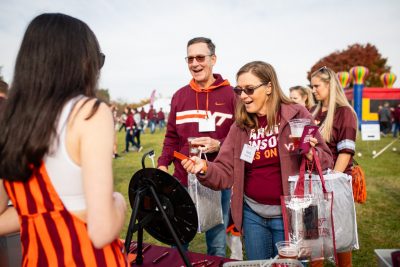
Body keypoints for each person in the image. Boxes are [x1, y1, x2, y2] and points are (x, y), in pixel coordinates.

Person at [0, 13, 127, 266]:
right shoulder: (89, 112)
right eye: (97, 60)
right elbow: (101, 232)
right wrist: (119, 202)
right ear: (80, 61)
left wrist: (48, 213)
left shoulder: (9, 121)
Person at [181, 61, 333, 260]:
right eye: (239, 90)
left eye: (249, 89)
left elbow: (326, 159)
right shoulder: (240, 126)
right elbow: (225, 171)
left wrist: (313, 155)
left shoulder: (296, 115)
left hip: (292, 216)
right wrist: (205, 168)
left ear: (269, 87)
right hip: (252, 216)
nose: (243, 96)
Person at [157, 37, 237, 257]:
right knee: (178, 242)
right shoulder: (179, 96)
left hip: (217, 179)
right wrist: (163, 164)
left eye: (200, 57)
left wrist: (218, 145)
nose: (195, 63)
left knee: (217, 245)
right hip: (182, 179)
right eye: (190, 58)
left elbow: (241, 137)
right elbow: (171, 136)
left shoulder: (231, 95)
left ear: (213, 59)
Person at [310, 66, 358, 267]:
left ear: (330, 84)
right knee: (313, 238)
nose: (313, 90)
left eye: (317, 86)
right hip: (311, 181)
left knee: (339, 236)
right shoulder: (313, 111)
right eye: (311, 86)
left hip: (333, 183)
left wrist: (333, 183)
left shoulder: (344, 112)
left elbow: (345, 153)